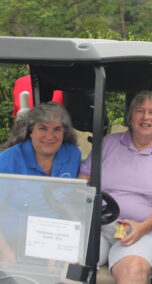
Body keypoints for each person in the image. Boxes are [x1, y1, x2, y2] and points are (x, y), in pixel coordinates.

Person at [79, 90, 152, 284]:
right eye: (140, 111)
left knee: (132, 271)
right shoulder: (109, 143)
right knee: (68, 264)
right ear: (130, 118)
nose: (146, 117)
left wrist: (143, 227)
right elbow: (84, 178)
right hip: (98, 225)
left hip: (144, 231)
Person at [0, 102, 81, 264]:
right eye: (43, 128)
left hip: (59, 235)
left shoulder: (72, 154)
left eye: (57, 129)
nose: (50, 136)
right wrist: (5, 251)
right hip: (16, 239)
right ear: (31, 131)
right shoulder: (9, 160)